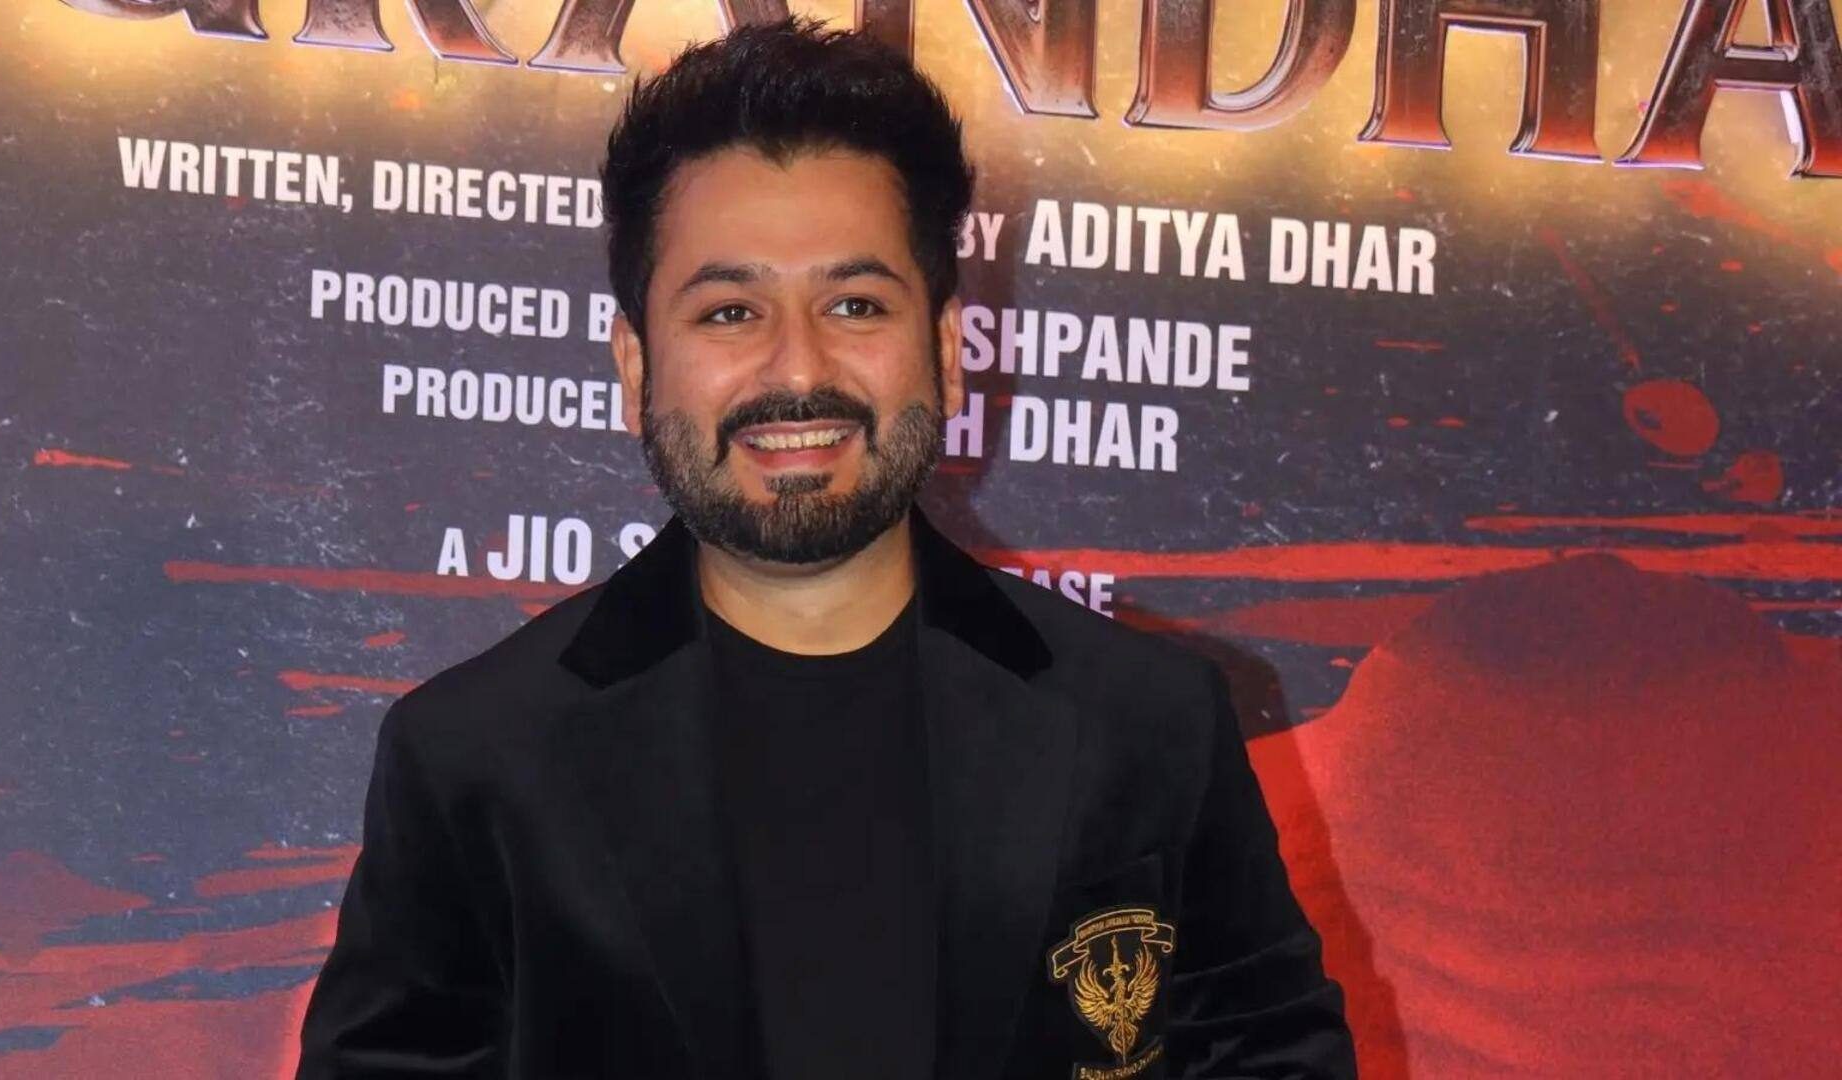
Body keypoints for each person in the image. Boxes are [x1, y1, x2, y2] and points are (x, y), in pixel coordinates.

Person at [297, 18, 1354, 1079]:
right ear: (636, 367)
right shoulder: (476, 759)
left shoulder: (1149, 724)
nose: (798, 370)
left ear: (946, 347)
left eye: (855, 304)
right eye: (729, 312)